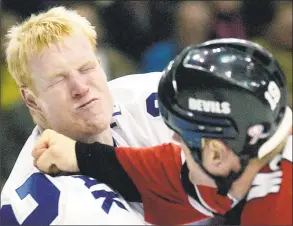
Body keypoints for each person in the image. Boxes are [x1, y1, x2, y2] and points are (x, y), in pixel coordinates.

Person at [33, 39, 292, 225]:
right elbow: (159, 174)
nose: (175, 139)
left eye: (183, 135)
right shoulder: (241, 160)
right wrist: (80, 155)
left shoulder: (270, 206)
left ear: (216, 154)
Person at [0, 6, 174, 225]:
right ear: (32, 100)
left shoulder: (151, 95)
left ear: (100, 66)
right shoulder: (64, 206)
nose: (80, 87)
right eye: (58, 80)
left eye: (86, 68)